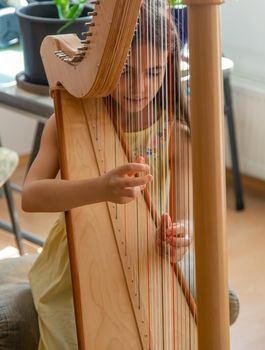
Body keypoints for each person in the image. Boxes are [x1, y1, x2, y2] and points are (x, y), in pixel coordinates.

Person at [22, 1, 238, 349]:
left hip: (145, 262)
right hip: (71, 271)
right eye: (125, 70)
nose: (139, 86)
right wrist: (101, 188)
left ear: (167, 69)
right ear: (105, 66)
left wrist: (182, 235)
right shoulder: (68, 120)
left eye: (153, 72)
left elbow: (186, 218)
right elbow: (30, 197)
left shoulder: (176, 136)